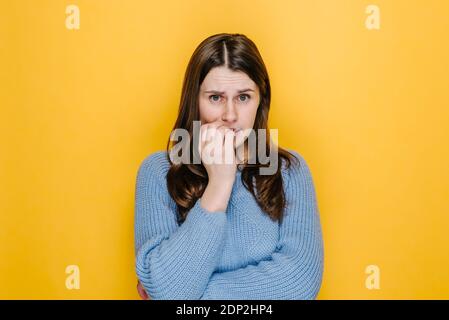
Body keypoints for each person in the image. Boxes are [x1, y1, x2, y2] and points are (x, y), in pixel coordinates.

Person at [134, 33, 324, 300]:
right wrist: (220, 183)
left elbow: (300, 283)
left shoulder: (289, 171)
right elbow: (167, 290)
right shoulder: (157, 173)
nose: (231, 115)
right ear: (194, 100)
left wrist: (190, 296)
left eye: (244, 97)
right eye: (215, 98)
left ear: (261, 101)